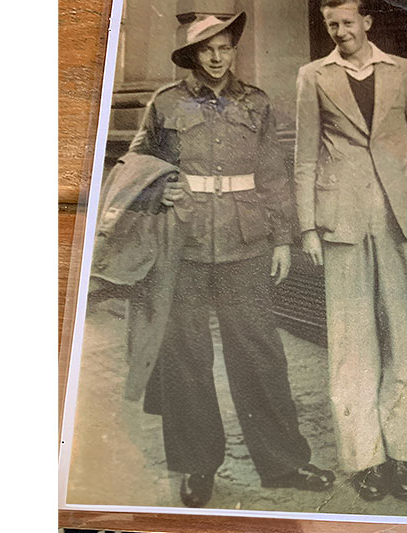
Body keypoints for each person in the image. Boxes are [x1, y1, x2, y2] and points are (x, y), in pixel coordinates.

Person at [127, 12, 334, 508]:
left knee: (260, 355)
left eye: (225, 48)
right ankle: (198, 466)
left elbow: (275, 176)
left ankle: (284, 461)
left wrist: (282, 239)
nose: (217, 58)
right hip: (184, 245)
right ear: (193, 55)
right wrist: (161, 189)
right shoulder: (166, 103)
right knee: (186, 361)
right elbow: (134, 165)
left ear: (234, 50)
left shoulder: (256, 103)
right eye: (207, 50)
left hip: (247, 243)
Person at [293, 0, 407, 501]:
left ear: (368, 23)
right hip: (342, 224)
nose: (340, 32)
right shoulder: (313, 76)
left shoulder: (401, 72)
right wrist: (308, 227)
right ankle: (366, 459)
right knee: (352, 344)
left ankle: (406, 454)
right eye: (331, 24)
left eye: (348, 23)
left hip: (401, 220)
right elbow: (305, 155)